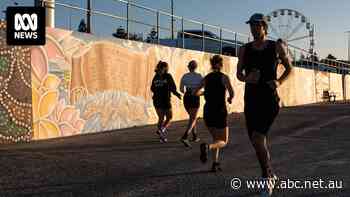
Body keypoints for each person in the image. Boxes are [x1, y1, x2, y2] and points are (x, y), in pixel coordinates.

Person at [236, 13, 292, 196]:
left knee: (259, 138)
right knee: (256, 141)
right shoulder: (244, 49)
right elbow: (238, 75)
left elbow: (290, 68)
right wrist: (247, 78)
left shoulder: (275, 46)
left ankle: (266, 179)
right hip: (251, 99)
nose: (253, 28)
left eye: (257, 25)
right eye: (251, 25)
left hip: (269, 99)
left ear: (264, 27)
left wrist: (279, 82)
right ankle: (270, 174)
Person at [194, 55, 234, 172]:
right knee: (224, 141)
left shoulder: (206, 78)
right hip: (219, 112)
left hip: (208, 111)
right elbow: (232, 92)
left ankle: (215, 163)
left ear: (212, 65)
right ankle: (208, 147)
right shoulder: (224, 77)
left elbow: (196, 92)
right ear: (221, 65)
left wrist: (205, 93)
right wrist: (230, 98)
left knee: (216, 138)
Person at [151, 61, 182, 143]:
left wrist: (158, 89)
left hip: (156, 100)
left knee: (161, 118)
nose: (168, 68)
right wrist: (177, 94)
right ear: (164, 68)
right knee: (169, 117)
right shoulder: (167, 76)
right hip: (164, 100)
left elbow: (152, 88)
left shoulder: (156, 76)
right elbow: (173, 87)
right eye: (167, 67)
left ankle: (161, 136)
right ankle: (162, 130)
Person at [179, 60, 203, 147]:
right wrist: (201, 93)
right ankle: (185, 136)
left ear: (189, 67)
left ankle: (195, 136)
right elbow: (203, 87)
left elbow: (181, 90)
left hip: (187, 97)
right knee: (193, 118)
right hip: (195, 97)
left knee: (192, 118)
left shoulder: (185, 76)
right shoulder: (199, 76)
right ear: (196, 67)